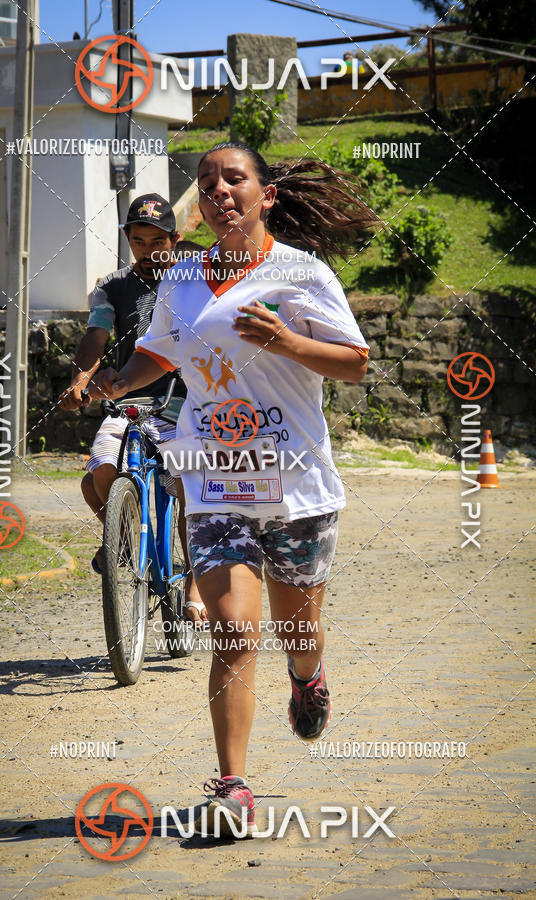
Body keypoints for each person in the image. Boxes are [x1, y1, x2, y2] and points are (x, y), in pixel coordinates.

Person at [88, 143, 377, 835]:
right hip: (215, 481)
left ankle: (308, 677)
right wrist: (119, 381)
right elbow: (163, 349)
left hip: (297, 484)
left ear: (265, 194)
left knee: (297, 630)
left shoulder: (302, 273)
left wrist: (285, 342)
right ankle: (232, 787)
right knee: (235, 631)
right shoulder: (184, 278)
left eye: (235, 178)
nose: (219, 190)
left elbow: (355, 363)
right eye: (207, 181)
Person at [58, 192, 207, 625]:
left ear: (174, 240)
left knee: (190, 491)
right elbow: (95, 338)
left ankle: (195, 585)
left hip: (186, 402)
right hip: (129, 401)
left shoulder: (194, 280)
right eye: (138, 241)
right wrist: (80, 382)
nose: (147, 250)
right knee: (99, 473)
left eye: (156, 241)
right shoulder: (111, 286)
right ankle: (126, 537)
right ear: (127, 239)